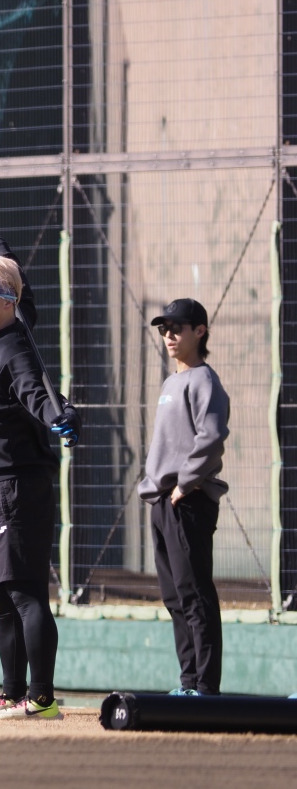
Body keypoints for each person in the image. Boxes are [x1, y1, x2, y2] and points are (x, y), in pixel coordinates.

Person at [0, 233, 78, 722]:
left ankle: (42, 696)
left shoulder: (14, 348)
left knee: (25, 593)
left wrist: (57, 415)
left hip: (14, 487)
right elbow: (14, 282)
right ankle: (11, 692)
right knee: (1, 597)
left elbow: (37, 393)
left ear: (8, 300)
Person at [140, 298, 229, 696]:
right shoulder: (170, 383)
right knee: (175, 598)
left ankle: (205, 688)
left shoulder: (204, 381)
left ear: (200, 331)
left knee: (195, 597)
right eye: (165, 329)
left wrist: (184, 484)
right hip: (162, 502)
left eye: (178, 327)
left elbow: (211, 440)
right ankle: (188, 682)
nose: (170, 335)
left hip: (186, 500)